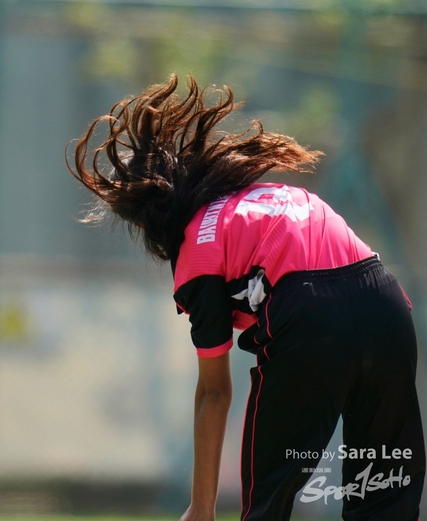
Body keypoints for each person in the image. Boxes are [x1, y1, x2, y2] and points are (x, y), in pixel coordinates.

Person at [67, 74, 425, 521]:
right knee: (387, 501)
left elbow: (214, 392)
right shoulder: (269, 195)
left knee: (267, 505)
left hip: (311, 321)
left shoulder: (197, 252)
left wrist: (201, 507)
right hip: (388, 306)